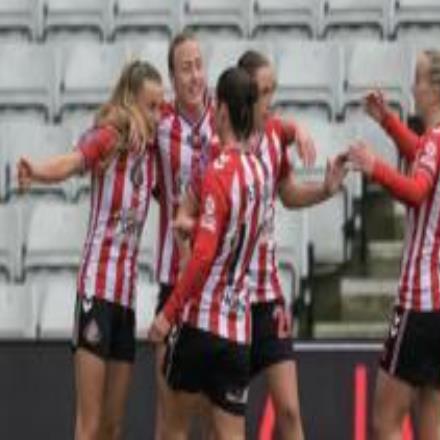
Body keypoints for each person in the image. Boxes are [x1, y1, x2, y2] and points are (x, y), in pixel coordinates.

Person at [17, 60, 164, 440]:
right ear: (131, 102)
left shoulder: (152, 156)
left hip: (126, 301)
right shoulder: (109, 139)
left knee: (113, 427)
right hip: (96, 293)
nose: (157, 116)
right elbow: (72, 161)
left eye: (160, 107)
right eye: (151, 106)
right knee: (90, 424)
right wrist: (36, 171)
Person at [347, 49, 440, 439]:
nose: (413, 86)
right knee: (433, 427)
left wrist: (375, 168)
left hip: (418, 304)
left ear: (436, 90)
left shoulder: (437, 140)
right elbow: (418, 151)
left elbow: (417, 191)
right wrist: (387, 120)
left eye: (419, 79)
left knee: (385, 422)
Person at [149, 66, 266, 440]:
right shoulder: (259, 172)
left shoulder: (218, 171)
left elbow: (202, 257)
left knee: (173, 431)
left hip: (201, 324)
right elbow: (236, 233)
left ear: (224, 111)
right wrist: (198, 226)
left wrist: (167, 314)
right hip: (238, 330)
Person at [238, 50, 347, 440]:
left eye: (273, 90)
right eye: (263, 91)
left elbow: (287, 194)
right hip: (230, 301)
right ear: (245, 94)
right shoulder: (222, 143)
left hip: (268, 295)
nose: (271, 100)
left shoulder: (272, 139)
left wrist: (326, 189)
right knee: (224, 421)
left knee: (289, 410)